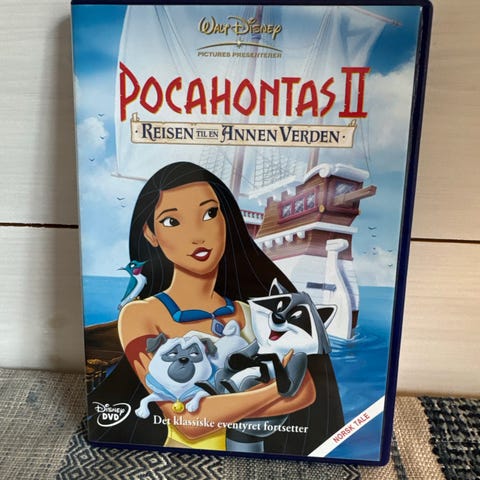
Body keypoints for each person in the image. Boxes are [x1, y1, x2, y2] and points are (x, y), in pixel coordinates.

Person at [88, 161, 344, 455]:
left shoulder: (253, 312)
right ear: (150, 234)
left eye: (209, 214)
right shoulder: (140, 315)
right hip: (184, 464)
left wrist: (218, 407)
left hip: (255, 457)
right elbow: (187, 421)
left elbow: (306, 392)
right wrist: (277, 388)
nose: (197, 235)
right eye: (172, 221)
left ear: (226, 220)